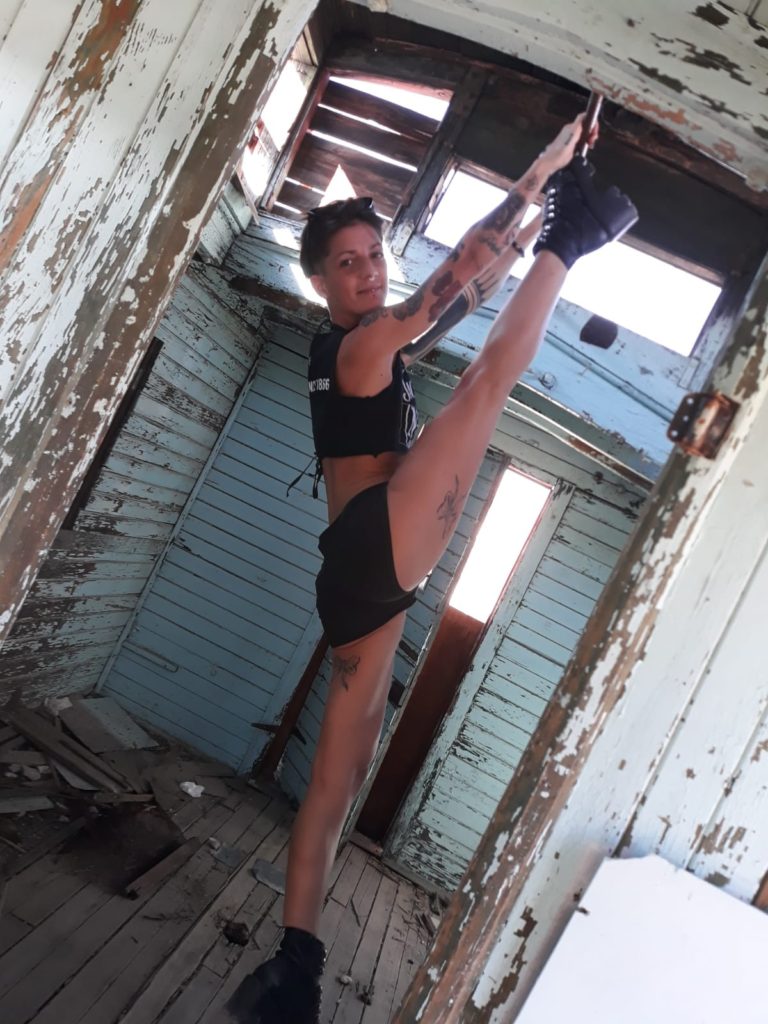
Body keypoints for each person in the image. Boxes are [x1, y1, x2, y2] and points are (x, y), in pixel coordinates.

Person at [228, 116, 637, 1023]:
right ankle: (573, 238)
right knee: (488, 383)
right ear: (318, 279)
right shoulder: (362, 345)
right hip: (373, 546)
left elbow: (469, 279)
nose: (368, 271)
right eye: (347, 263)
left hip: (361, 573)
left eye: (374, 255)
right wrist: (540, 181)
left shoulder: (360, 346)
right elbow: (460, 276)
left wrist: (530, 207)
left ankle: (294, 966)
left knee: (340, 776)